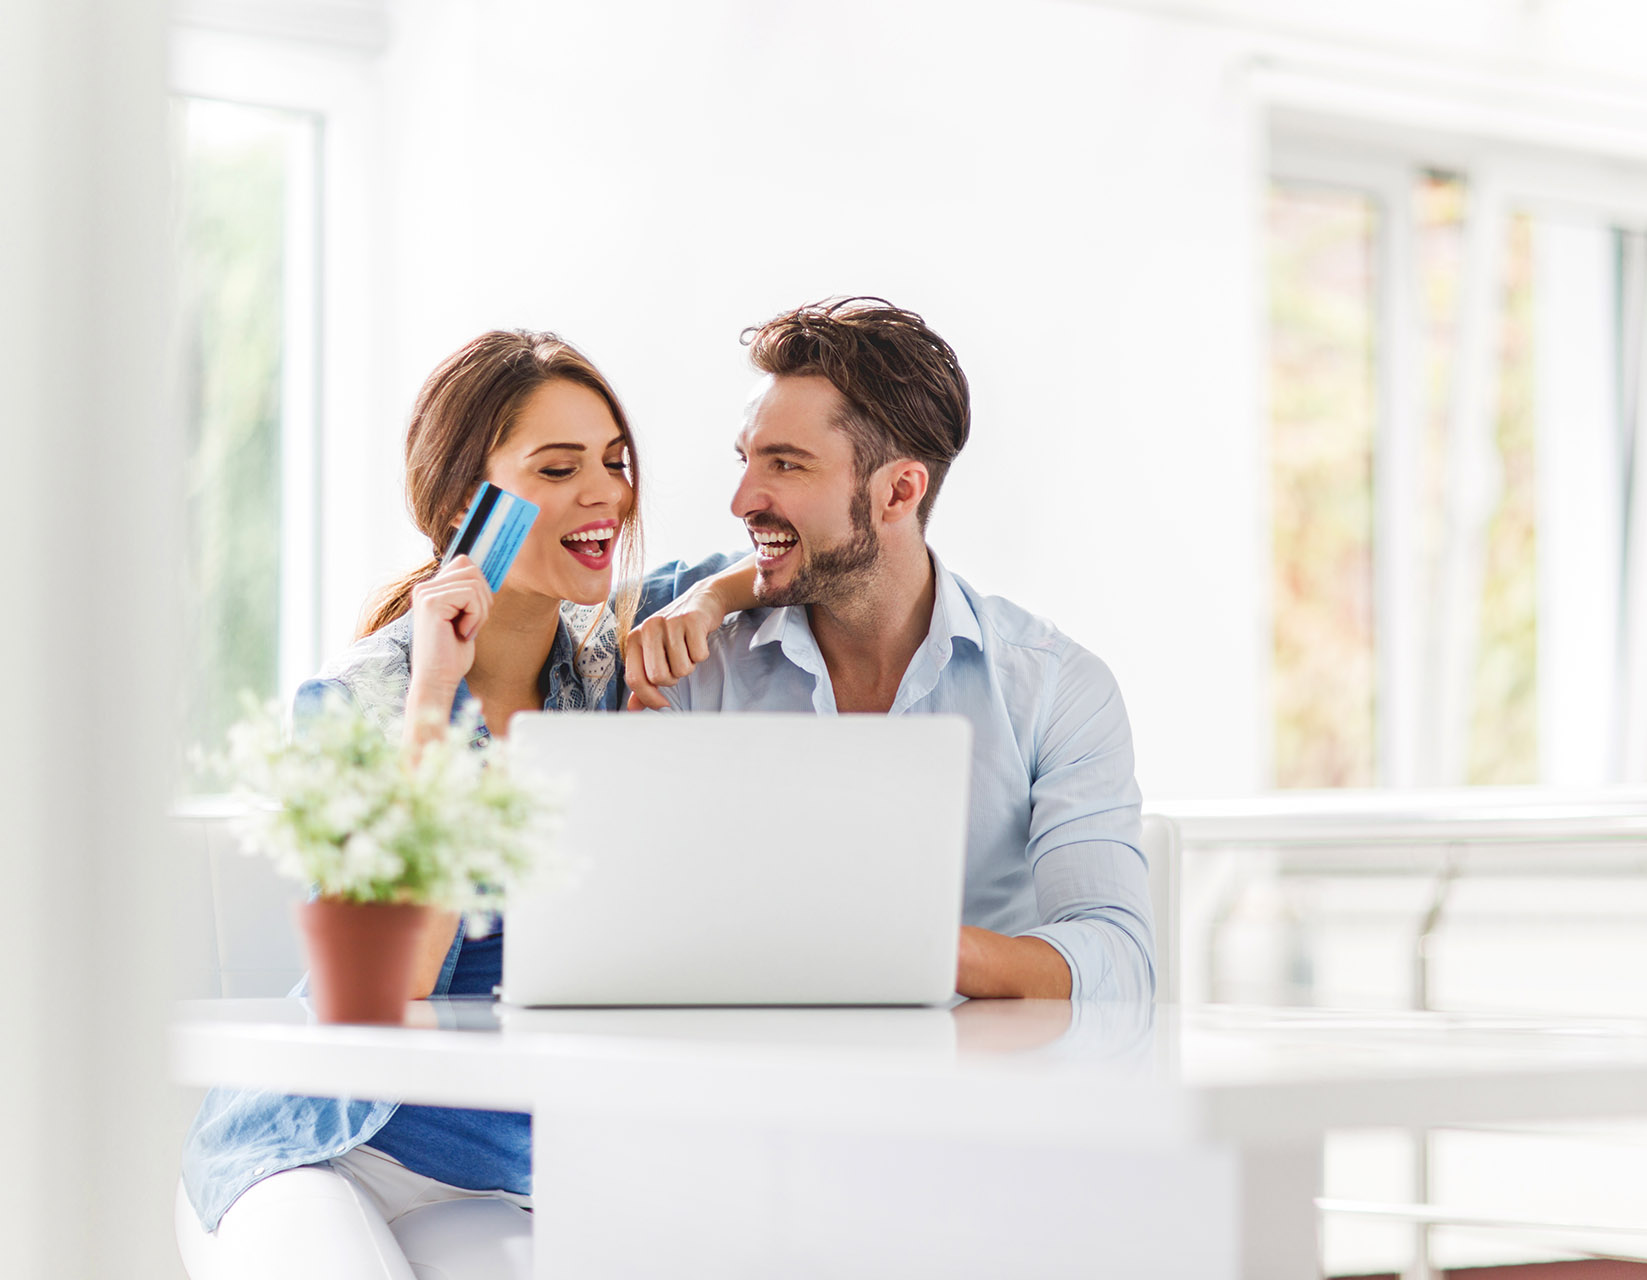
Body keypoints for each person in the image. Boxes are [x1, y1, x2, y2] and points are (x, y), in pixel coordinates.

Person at [176, 330, 756, 1280]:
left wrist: (717, 597)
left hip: (499, 1165)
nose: (606, 491)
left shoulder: (606, 652)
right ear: (464, 509)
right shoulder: (357, 697)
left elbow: (799, 559)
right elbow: (395, 978)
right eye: (559, 467)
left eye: (615, 461)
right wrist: (434, 697)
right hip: (324, 1141)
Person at [634, 297, 1154, 1002]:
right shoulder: (696, 666)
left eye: (786, 465)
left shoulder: (1055, 690)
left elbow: (1116, 955)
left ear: (899, 491)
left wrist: (905, 948)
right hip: (747, 1084)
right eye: (748, 460)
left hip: (969, 1091)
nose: (742, 500)